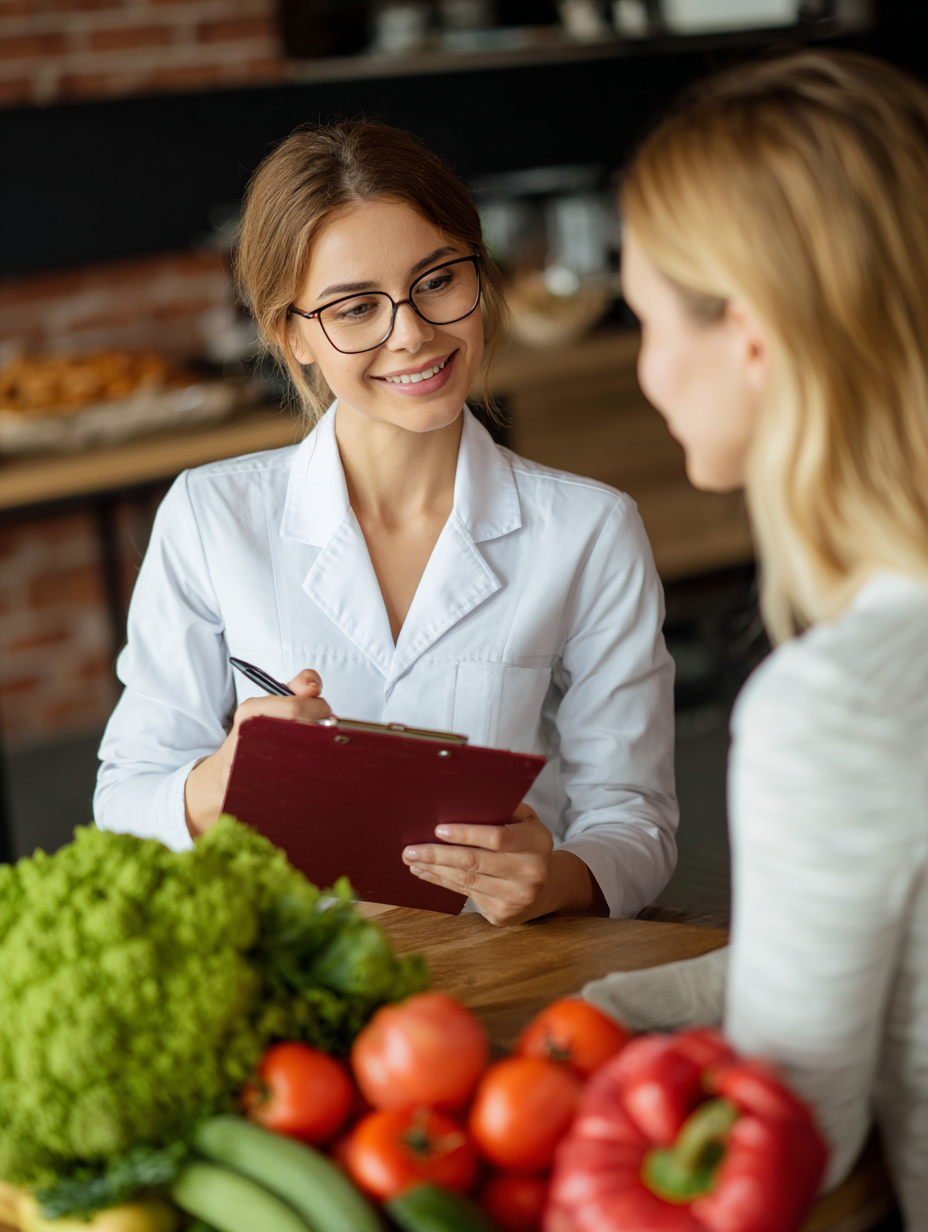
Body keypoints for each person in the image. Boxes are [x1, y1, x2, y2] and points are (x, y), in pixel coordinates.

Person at [94, 121, 678, 927]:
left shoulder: (590, 529)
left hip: (495, 975)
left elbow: (637, 818)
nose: (411, 333)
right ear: (290, 332)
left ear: (483, 273)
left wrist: (560, 879)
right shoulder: (209, 516)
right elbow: (123, 801)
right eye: (356, 308)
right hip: (279, 972)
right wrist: (219, 780)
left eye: (437, 280)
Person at [583, 51, 928, 1222]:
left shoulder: (835, 706)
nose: (642, 369)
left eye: (643, 318)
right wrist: (603, 1003)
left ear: (752, 333)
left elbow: (796, 1130)